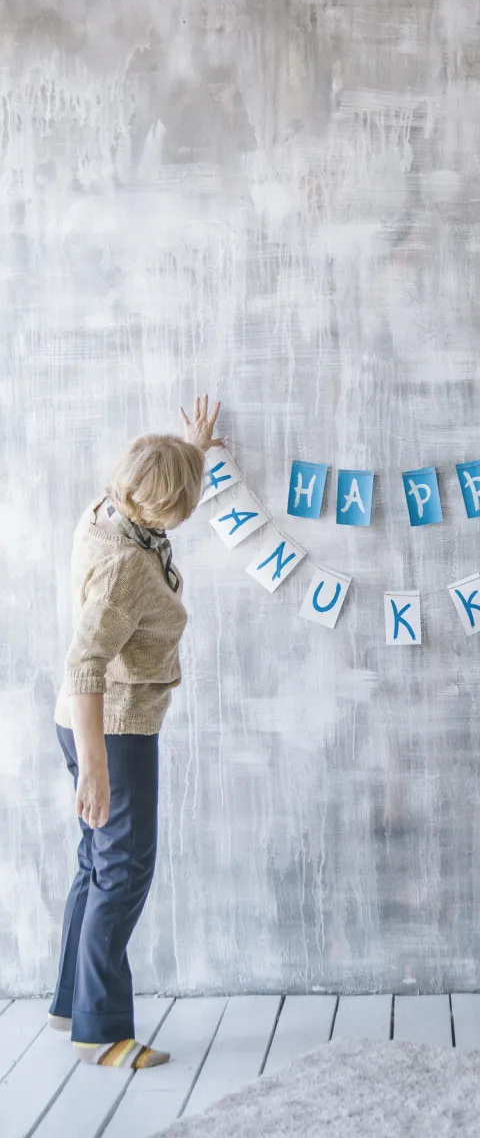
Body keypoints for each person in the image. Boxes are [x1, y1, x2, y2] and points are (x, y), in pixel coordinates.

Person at [48, 395, 223, 1069]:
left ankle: (73, 1005)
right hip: (110, 728)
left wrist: (189, 452)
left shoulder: (109, 510)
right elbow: (85, 661)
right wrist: (96, 768)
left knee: (96, 864)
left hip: (81, 720)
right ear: (159, 507)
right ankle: (103, 1032)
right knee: (123, 870)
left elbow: (154, 492)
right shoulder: (124, 566)